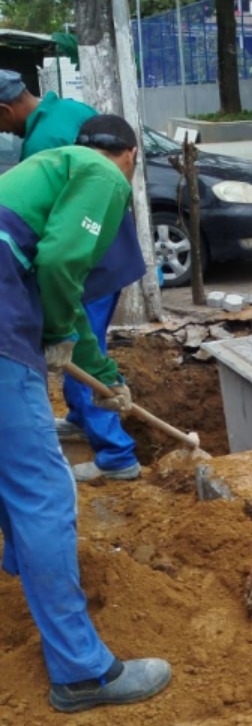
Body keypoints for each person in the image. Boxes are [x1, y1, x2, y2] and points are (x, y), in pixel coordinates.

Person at [0, 114, 171, 712]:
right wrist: (49, 335)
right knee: (43, 491)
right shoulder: (104, 172)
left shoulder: (43, 171)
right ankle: (81, 673)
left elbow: (66, 297)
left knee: (9, 468)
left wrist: (104, 378)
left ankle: (17, 569)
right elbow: (63, 263)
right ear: (129, 157)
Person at [0, 69, 146, 481]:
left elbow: (59, 259)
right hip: (81, 263)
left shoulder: (57, 148)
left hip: (79, 267)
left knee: (71, 341)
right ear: (131, 152)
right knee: (73, 342)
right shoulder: (72, 111)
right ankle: (88, 419)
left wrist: (59, 333)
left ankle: (117, 455)